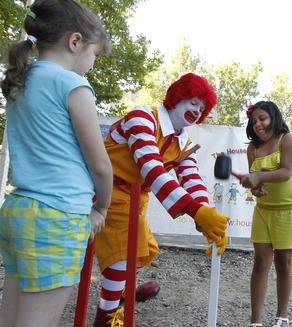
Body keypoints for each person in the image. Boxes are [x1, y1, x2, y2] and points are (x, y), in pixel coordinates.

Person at [0, 0, 113, 326]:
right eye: (93, 54)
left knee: (11, 318)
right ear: (75, 42)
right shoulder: (72, 85)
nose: (92, 64)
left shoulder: (21, 80)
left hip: (18, 209)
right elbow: (101, 166)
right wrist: (101, 209)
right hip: (57, 215)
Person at [92, 73, 230, 326]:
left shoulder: (183, 141)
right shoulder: (142, 117)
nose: (196, 111)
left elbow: (192, 179)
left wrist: (206, 218)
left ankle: (123, 289)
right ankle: (106, 315)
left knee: (146, 251)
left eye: (202, 108)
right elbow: (151, 167)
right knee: (123, 254)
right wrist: (195, 212)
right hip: (107, 190)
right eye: (192, 102)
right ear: (176, 98)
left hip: (136, 197)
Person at [240, 101, 292, 327]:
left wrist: (258, 178)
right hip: (263, 211)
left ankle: (282, 317)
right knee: (260, 261)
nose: (258, 124)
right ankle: (255, 320)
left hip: (287, 212)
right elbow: (255, 185)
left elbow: (286, 172)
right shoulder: (252, 149)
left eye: (262, 119)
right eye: (254, 121)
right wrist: (256, 189)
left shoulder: (287, 140)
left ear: (273, 118)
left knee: (284, 262)